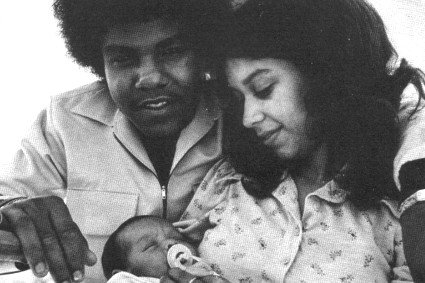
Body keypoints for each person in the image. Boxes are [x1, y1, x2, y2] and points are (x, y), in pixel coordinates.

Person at [161, 0, 425, 281]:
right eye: (238, 100)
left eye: (263, 89)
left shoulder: (400, 212)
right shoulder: (227, 181)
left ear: (325, 76)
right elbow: (166, 261)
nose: (248, 118)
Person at [0, 0, 232, 282]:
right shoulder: (65, 121)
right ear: (99, 64)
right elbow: (8, 197)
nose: (150, 79)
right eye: (123, 59)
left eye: (172, 52)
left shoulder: (242, 120)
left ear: (203, 52)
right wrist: (9, 216)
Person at [101, 215, 224, 283]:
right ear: (125, 272)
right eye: (150, 246)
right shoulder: (126, 280)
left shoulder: (206, 272)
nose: (171, 243)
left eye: (177, 237)